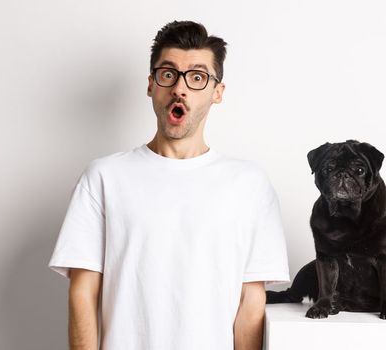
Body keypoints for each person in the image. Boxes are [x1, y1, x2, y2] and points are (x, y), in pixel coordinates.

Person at [48, 20, 291, 350]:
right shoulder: (104, 177)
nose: (180, 88)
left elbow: (250, 303)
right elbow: (82, 292)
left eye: (197, 77)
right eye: (168, 74)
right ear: (151, 85)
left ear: (217, 92)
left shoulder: (249, 184)